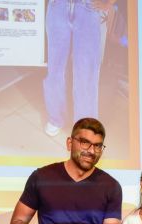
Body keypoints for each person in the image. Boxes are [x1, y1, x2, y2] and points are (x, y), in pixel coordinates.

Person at [42, 0, 116, 136]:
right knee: (55, 68)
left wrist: (110, 3)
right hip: (57, 6)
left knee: (86, 71)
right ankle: (55, 118)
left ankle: (85, 124)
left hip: (88, 8)